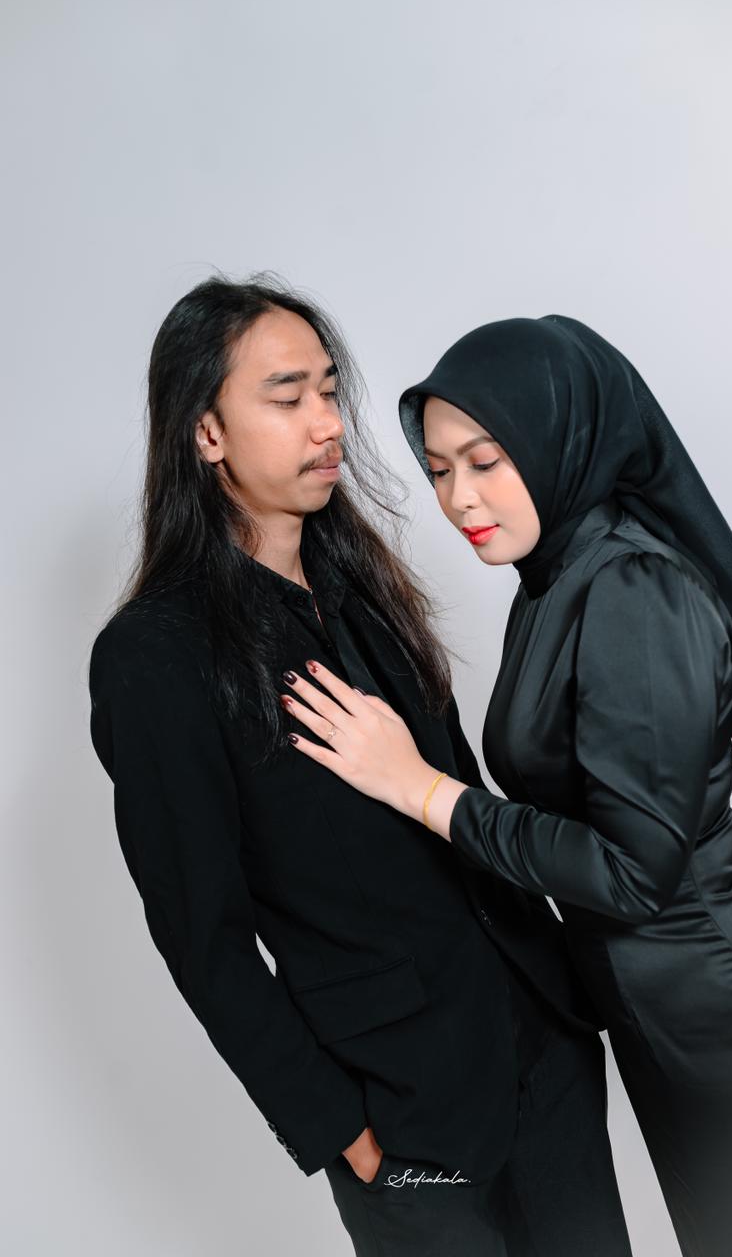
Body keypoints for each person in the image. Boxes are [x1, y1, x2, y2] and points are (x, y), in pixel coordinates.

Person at [89, 279, 646, 1257]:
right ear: (206, 432)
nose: (326, 422)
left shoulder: (364, 587)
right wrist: (345, 1136)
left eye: (329, 390)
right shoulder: (156, 652)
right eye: (287, 396)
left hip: (545, 1049)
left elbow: (464, 805)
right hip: (402, 1114)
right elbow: (203, 940)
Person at [283, 314, 732, 1257]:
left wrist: (420, 789)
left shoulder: (631, 589)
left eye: (486, 461)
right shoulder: (556, 579)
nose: (460, 498)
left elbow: (634, 872)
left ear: (563, 440)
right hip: (678, 1023)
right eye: (439, 470)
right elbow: (644, 813)